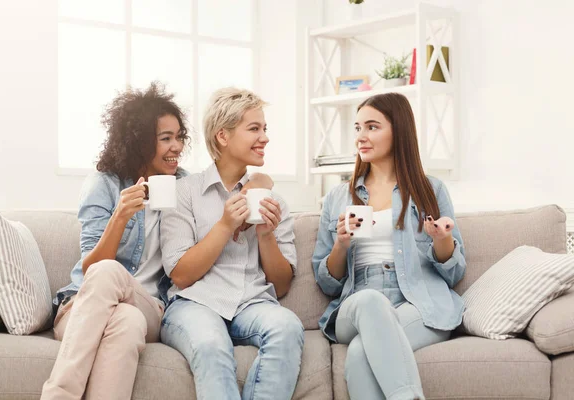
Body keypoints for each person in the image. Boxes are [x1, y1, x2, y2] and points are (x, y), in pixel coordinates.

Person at [41, 81, 270, 399]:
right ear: (139, 142)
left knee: (130, 308)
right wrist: (120, 217)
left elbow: (239, 180)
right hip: (85, 308)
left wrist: (261, 180)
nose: (177, 146)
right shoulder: (104, 185)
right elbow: (92, 270)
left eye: (179, 137)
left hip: (151, 305)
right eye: (166, 139)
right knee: (124, 318)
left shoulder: (185, 186)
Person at [312, 92, 466, 400]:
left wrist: (442, 240)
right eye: (357, 128)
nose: (361, 137)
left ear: (399, 130)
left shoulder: (430, 190)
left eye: (372, 127)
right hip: (357, 303)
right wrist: (341, 245)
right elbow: (326, 282)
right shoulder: (337, 197)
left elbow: (454, 273)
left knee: (359, 354)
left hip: (417, 302)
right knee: (370, 301)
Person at [159, 87, 304, 400]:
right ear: (223, 136)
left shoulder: (272, 201)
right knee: (211, 344)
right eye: (254, 129)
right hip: (194, 303)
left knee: (288, 327)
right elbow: (181, 275)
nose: (264, 137)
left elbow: (280, 286)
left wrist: (266, 233)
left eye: (265, 129)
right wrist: (225, 225)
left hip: (253, 303)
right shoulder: (185, 192)